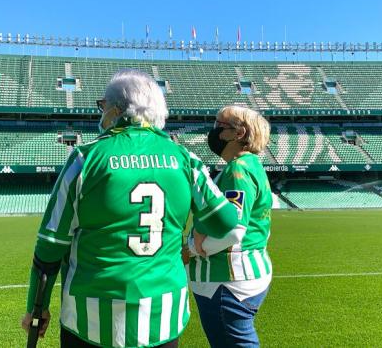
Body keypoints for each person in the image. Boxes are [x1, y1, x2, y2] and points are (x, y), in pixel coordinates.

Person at [21, 69, 239, 348]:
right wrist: (187, 234)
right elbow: (226, 222)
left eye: (103, 106)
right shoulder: (185, 159)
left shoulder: (84, 159)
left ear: (117, 109)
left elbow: (50, 245)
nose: (102, 114)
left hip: (90, 321)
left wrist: (36, 308)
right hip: (162, 317)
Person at [186, 105, 273, 348]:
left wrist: (192, 248)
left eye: (219, 126)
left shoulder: (238, 169)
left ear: (238, 134)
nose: (212, 131)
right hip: (241, 275)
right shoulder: (250, 165)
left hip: (227, 280)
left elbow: (233, 230)